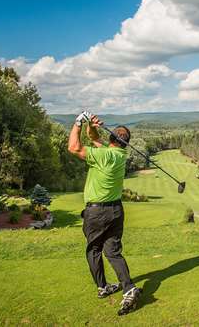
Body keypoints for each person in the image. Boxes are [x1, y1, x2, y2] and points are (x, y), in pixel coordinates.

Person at [67, 111, 142, 316]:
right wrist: (92, 125)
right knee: (113, 252)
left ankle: (102, 287)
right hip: (116, 211)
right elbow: (94, 139)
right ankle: (128, 288)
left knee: (93, 250)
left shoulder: (104, 155)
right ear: (125, 143)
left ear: (112, 139)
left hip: (97, 212)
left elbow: (73, 147)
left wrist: (78, 122)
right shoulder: (118, 155)